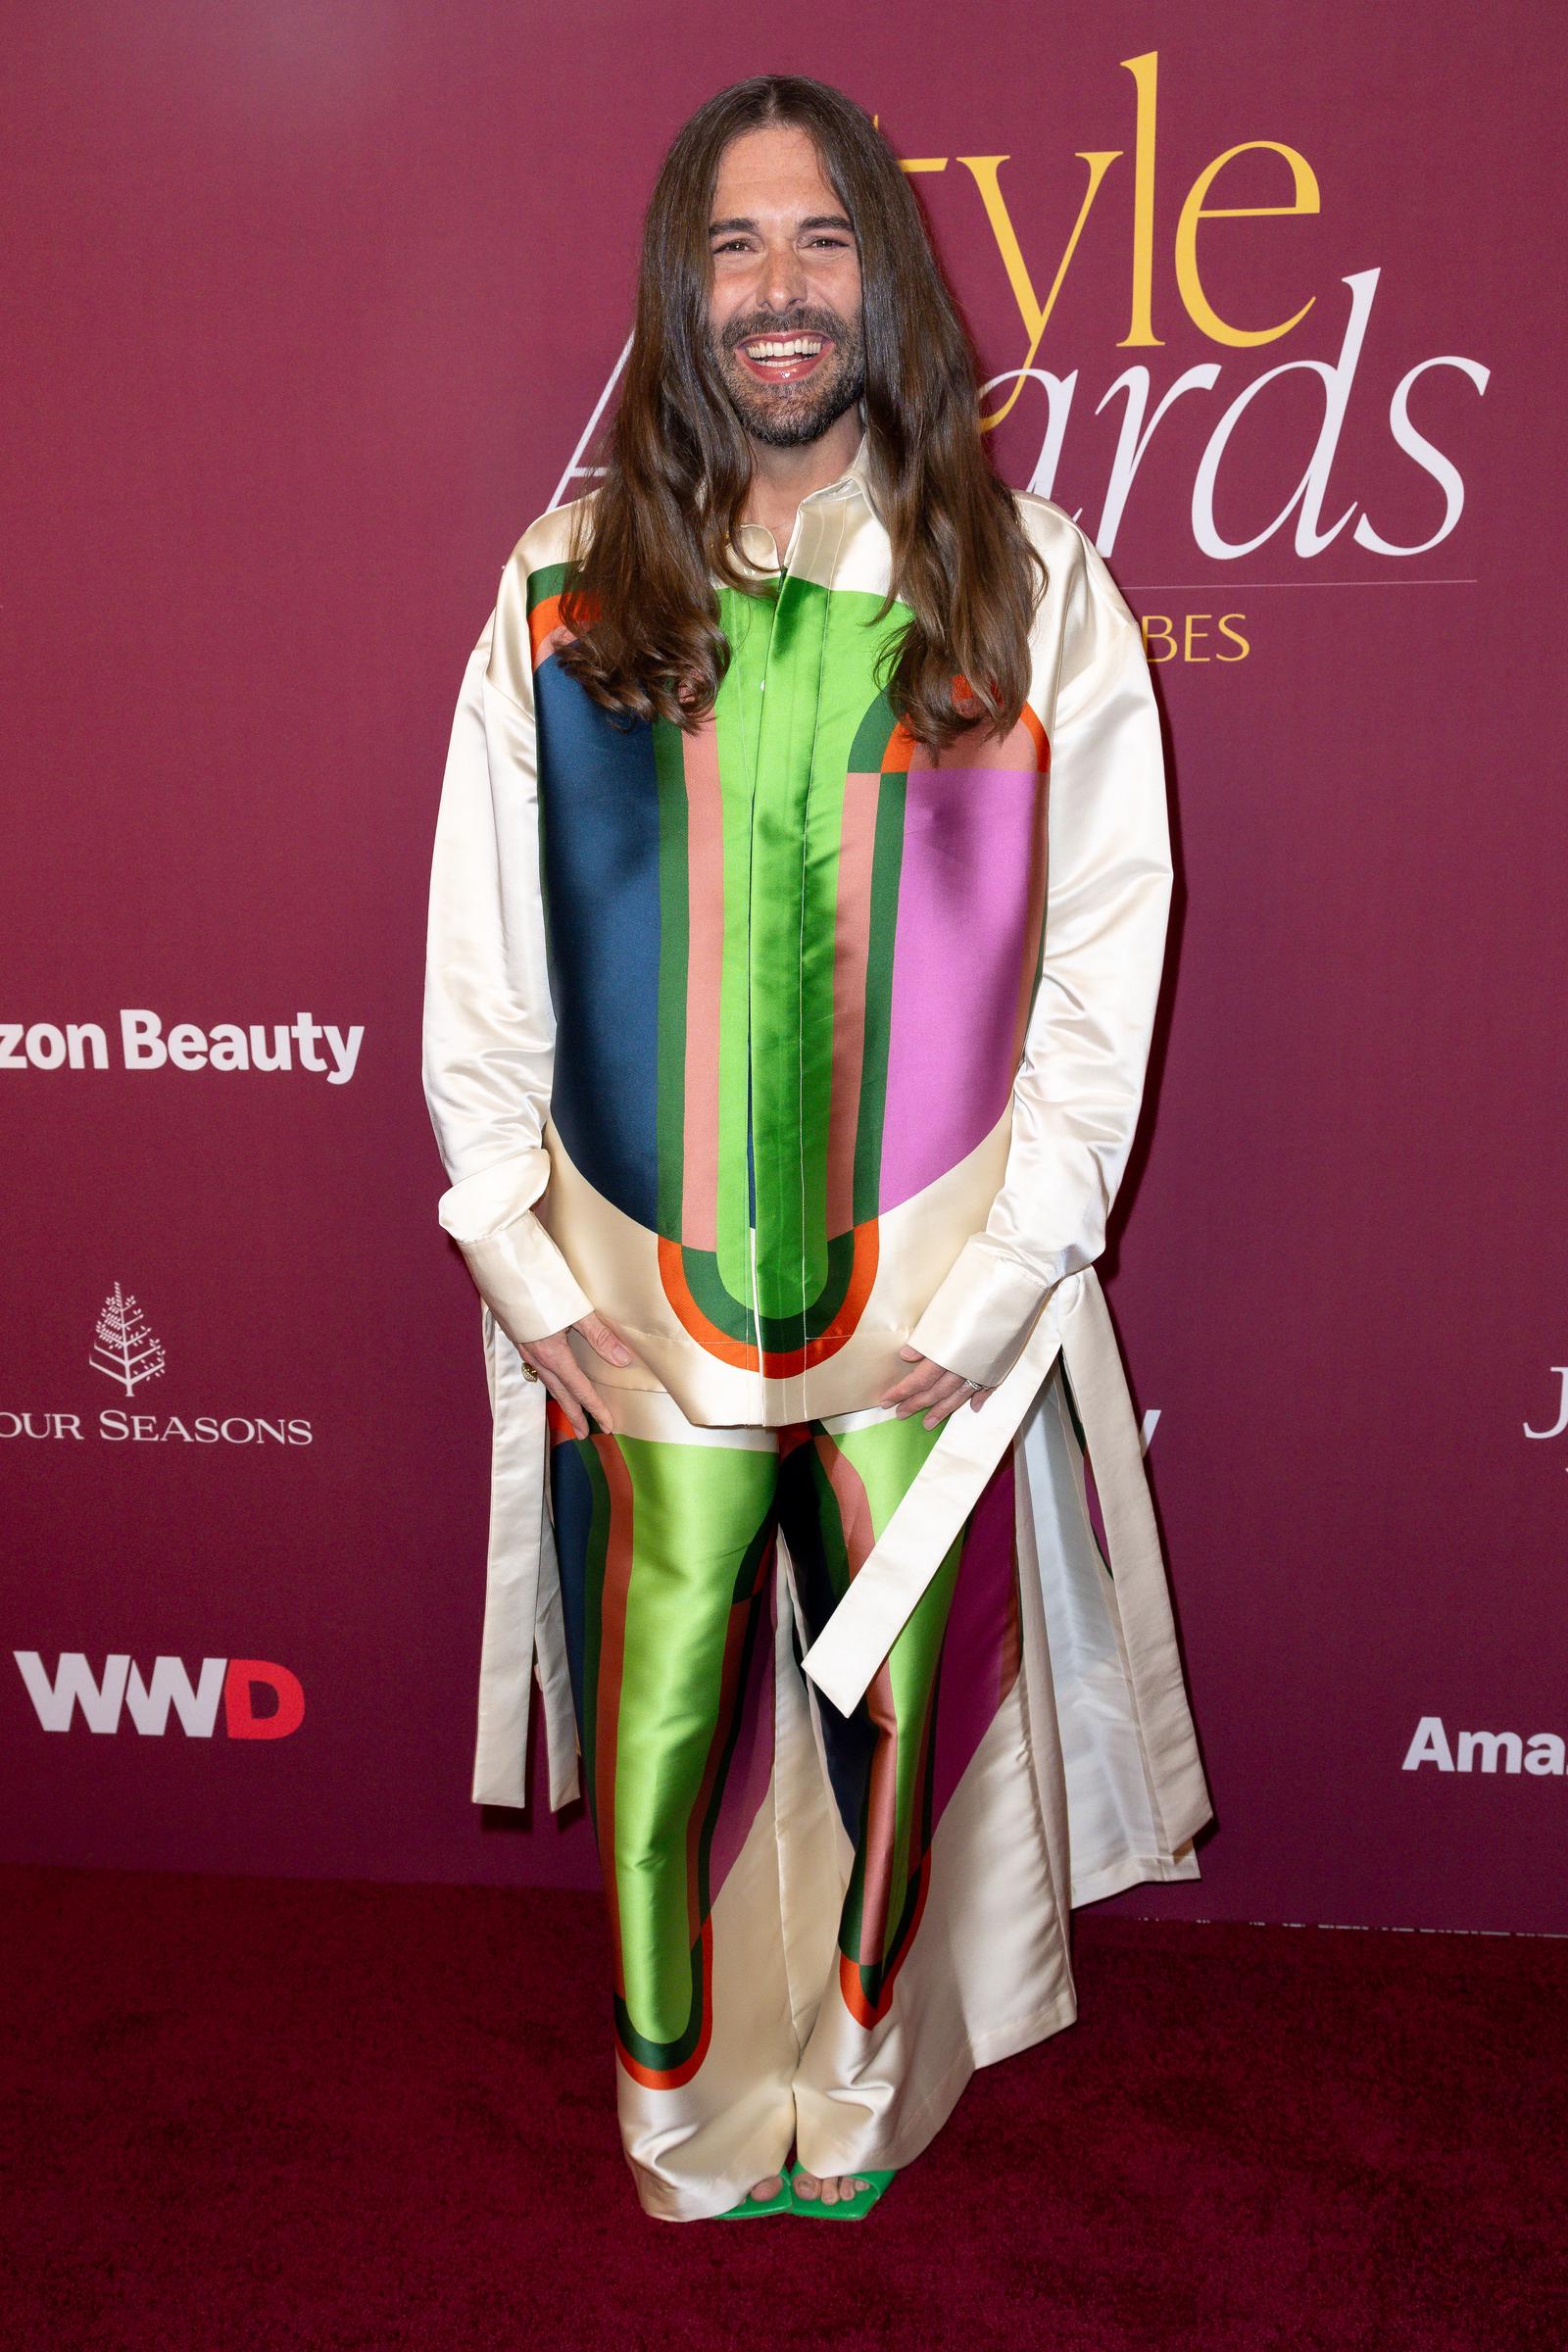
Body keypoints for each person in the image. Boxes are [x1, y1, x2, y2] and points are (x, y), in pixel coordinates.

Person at [420, 72, 1212, 2224]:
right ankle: (676, 2128)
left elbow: (1097, 964)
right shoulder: (563, 589)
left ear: (887, 279)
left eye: (819, 243)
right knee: (661, 1722)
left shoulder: (1028, 589)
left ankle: (855, 2106)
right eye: (733, 248)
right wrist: (520, 1257)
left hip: (926, 1299)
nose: (776, 295)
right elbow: (484, 965)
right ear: (680, 295)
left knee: (887, 1732)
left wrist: (1012, 1275)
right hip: (638, 1286)